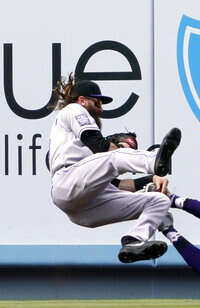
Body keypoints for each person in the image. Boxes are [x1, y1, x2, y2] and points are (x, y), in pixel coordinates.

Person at [48, 74, 181, 263]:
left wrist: (151, 179)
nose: (100, 109)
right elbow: (100, 146)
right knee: (114, 157)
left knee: (158, 201)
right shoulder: (73, 109)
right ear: (82, 100)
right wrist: (127, 150)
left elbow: (118, 185)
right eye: (97, 103)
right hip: (67, 181)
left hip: (85, 207)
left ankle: (134, 241)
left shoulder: (77, 146)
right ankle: (154, 159)